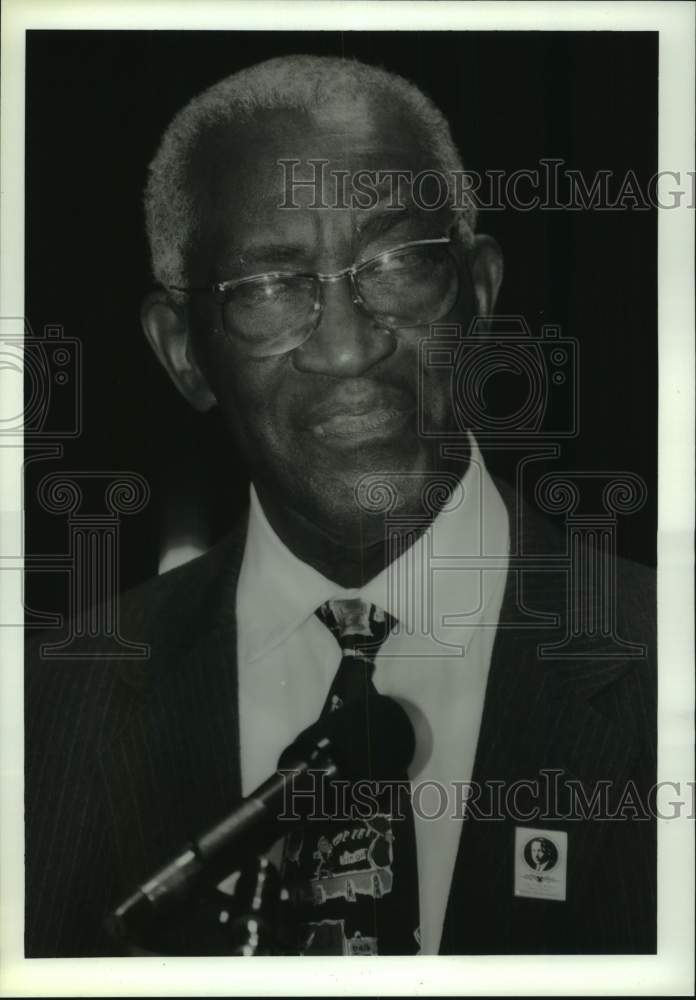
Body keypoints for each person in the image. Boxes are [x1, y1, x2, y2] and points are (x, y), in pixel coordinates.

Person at [25, 54, 656, 957]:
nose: (350, 348)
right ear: (184, 354)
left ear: (477, 292)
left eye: (397, 263)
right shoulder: (41, 725)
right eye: (268, 288)